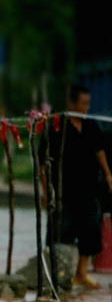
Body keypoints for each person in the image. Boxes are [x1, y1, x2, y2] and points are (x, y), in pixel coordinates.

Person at [41, 83, 112, 289]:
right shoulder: (56, 128)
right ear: (71, 103)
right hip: (63, 190)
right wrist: (47, 192)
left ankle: (82, 273)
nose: (86, 108)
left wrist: (108, 174)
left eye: (88, 104)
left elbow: (100, 151)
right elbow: (43, 164)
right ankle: (62, 275)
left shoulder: (91, 126)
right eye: (83, 103)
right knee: (62, 232)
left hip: (89, 189)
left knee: (90, 230)